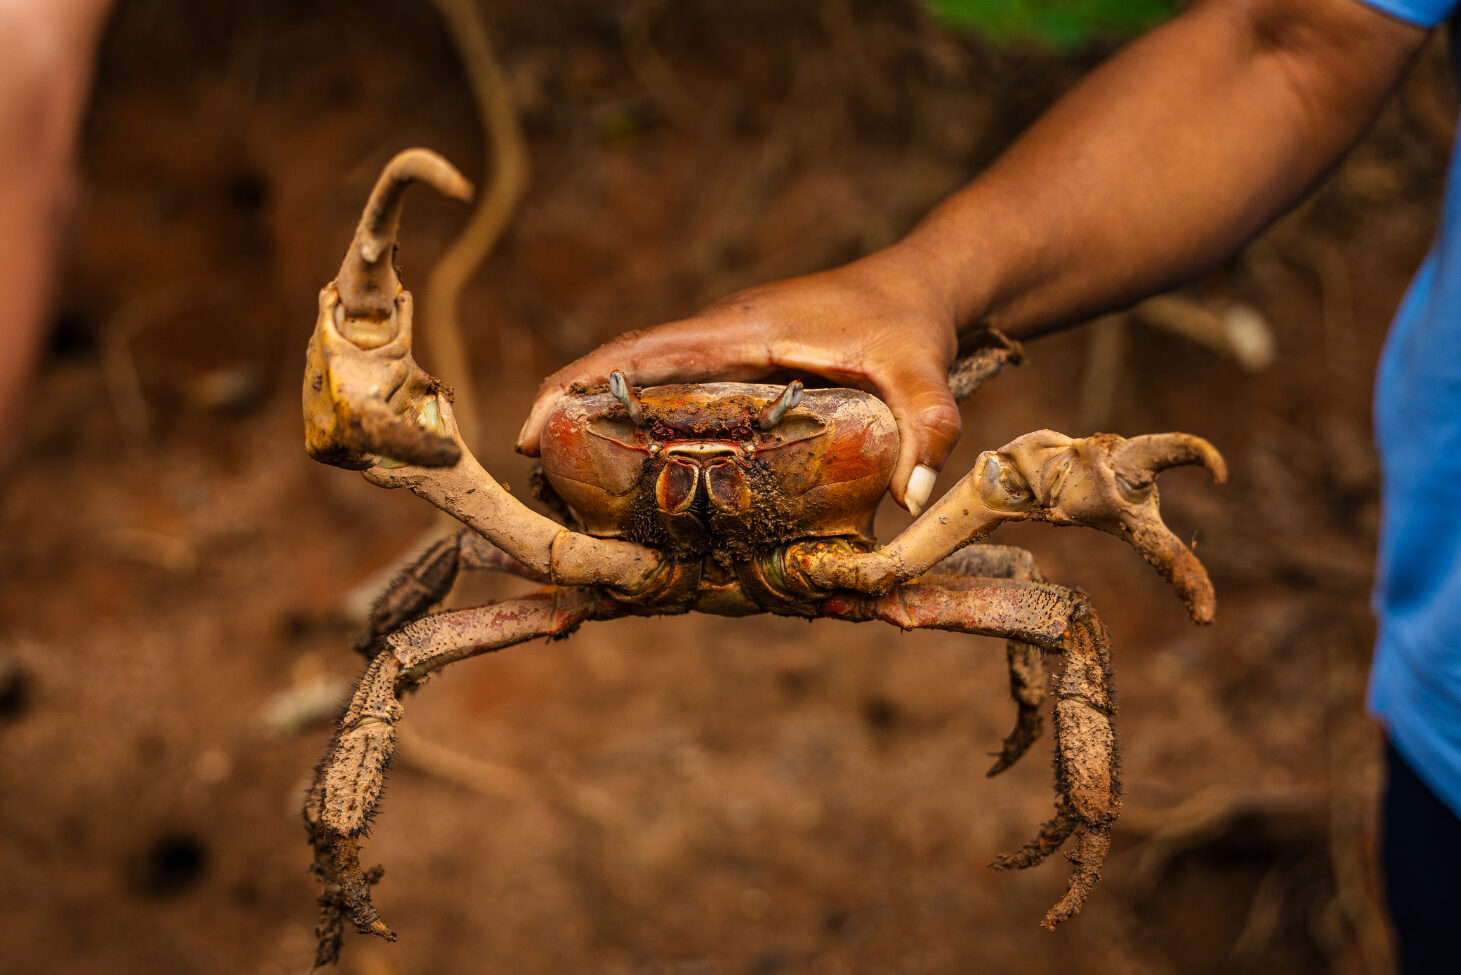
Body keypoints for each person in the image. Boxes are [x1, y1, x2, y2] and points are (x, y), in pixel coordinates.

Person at [513, 1, 1460, 970]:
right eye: (649, 428)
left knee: (1049, 608)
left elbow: (1039, 572)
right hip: (1449, 723)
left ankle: (1085, 829)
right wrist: (924, 282)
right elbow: (1291, 43)